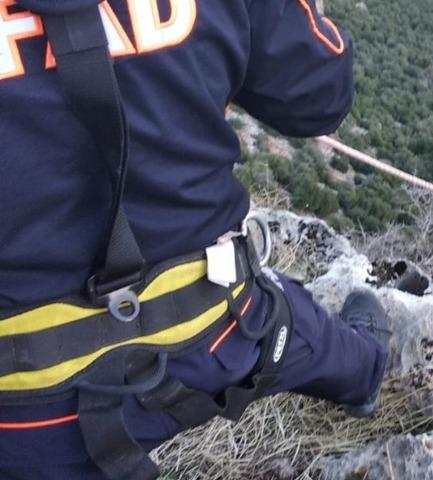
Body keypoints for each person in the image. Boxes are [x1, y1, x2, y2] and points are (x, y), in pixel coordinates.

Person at [0, 1, 389, 479]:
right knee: (314, 337)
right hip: (218, 326)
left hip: (22, 403)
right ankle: (366, 374)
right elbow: (321, 98)